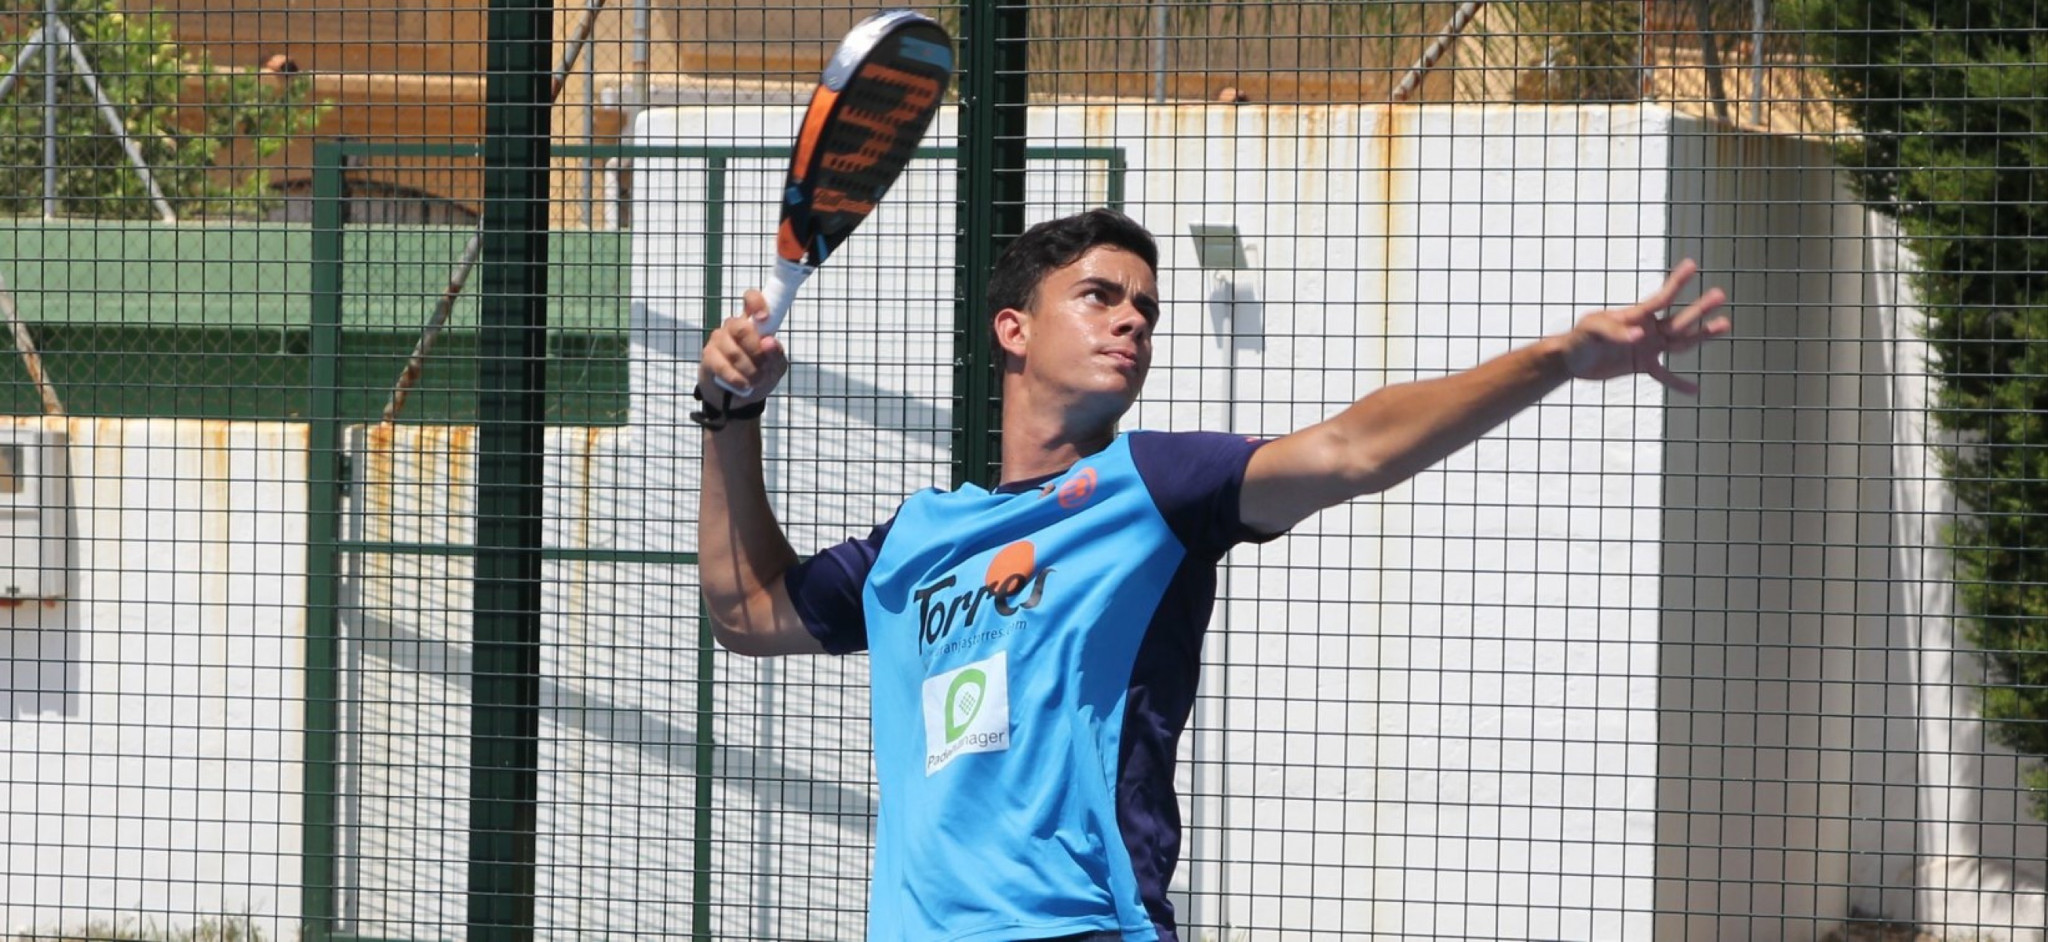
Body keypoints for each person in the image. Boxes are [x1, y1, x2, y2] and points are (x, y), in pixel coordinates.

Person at [694, 208, 1730, 942]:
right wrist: (727, 417)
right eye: (1098, 296)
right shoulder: (919, 540)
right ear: (1013, 330)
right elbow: (745, 611)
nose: (1132, 320)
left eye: (1145, 307)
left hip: (1082, 926)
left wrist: (1556, 358)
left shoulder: (1152, 487)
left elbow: (1354, 449)